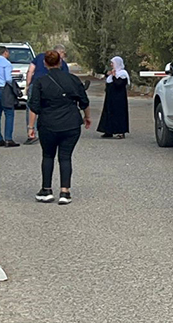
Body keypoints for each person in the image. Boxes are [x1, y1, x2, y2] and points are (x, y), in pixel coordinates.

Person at [26, 50, 91, 204]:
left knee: (48, 156)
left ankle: (46, 190)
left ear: (44, 63)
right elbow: (84, 101)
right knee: (65, 157)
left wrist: (30, 127)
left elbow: (34, 106)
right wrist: (87, 117)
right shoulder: (73, 79)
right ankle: (65, 192)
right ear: (60, 62)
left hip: (48, 124)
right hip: (71, 123)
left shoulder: (40, 82)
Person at [24, 45, 67, 144]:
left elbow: (30, 71)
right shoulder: (61, 63)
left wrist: (27, 85)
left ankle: (31, 132)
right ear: (60, 53)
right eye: (64, 54)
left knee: (32, 107)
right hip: (51, 88)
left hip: (35, 84)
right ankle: (50, 132)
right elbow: (64, 78)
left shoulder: (39, 57)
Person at [97, 56, 130, 139]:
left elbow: (119, 84)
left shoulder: (123, 74)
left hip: (119, 99)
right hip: (110, 98)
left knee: (119, 114)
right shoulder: (113, 73)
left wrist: (114, 76)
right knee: (108, 112)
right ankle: (108, 131)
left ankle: (121, 132)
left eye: (113, 63)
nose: (111, 65)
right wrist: (109, 75)